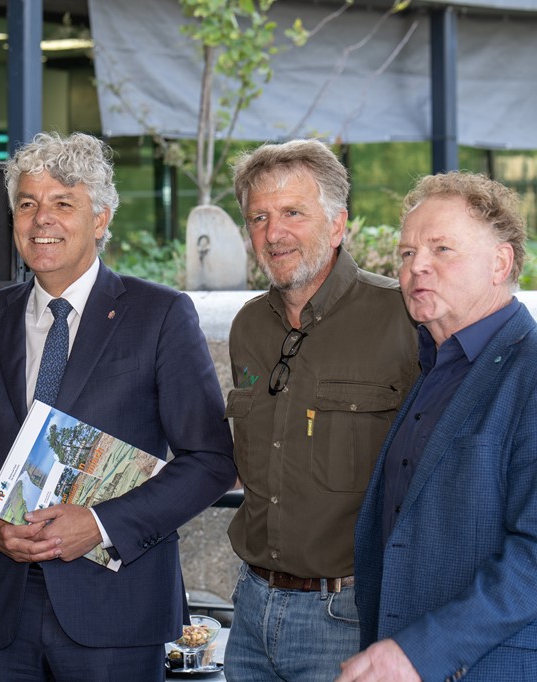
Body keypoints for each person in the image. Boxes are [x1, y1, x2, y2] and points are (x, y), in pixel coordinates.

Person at [0, 131, 236, 681]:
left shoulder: (159, 314)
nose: (43, 219)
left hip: (117, 610)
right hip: (3, 611)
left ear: (102, 219)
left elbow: (209, 460)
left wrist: (99, 524)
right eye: (28, 204)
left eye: (64, 203)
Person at [223, 139, 419, 681]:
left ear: (337, 225)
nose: (273, 232)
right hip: (248, 611)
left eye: (292, 213)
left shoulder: (402, 319)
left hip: (347, 618)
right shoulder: (248, 328)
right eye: (259, 216)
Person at [337, 172, 537, 682]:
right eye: (406, 254)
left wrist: (419, 652)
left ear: (501, 262)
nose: (416, 266)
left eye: (441, 248)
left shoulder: (528, 370)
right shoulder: (434, 365)